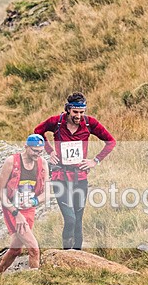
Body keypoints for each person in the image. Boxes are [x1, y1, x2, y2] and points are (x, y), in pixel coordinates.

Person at [34, 92, 116, 250]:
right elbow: (37, 131)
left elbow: (110, 142)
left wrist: (95, 161)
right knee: (70, 218)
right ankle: (66, 253)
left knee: (78, 219)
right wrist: (50, 151)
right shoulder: (56, 122)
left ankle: (78, 254)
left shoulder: (90, 123)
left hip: (80, 177)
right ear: (68, 110)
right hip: (60, 177)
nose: (78, 116)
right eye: (75, 112)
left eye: (82, 112)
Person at [0, 134, 49, 274]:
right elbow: (0, 192)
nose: (37, 154)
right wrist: (16, 213)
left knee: (16, 249)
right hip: (12, 209)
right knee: (33, 248)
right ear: (26, 147)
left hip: (29, 209)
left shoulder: (42, 163)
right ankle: (35, 282)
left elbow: (47, 193)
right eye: (34, 151)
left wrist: (34, 201)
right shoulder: (11, 162)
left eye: (40, 151)